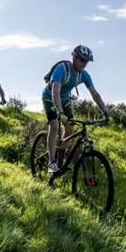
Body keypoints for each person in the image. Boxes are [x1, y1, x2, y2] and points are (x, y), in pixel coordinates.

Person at [42, 45, 108, 176]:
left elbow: (95, 94)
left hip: (65, 99)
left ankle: (61, 157)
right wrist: (60, 113)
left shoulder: (84, 75)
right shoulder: (62, 69)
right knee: (55, 126)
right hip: (50, 98)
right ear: (74, 57)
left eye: (87, 62)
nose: (84, 64)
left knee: (70, 129)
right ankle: (51, 163)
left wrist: (105, 111)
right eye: (82, 60)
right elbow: (55, 93)